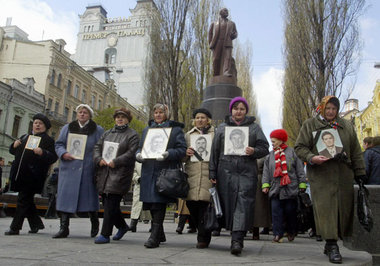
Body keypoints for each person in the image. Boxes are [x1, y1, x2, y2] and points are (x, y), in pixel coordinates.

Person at [295, 95, 366, 264]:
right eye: (328, 108)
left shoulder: (346, 126)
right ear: (321, 108)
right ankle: (332, 245)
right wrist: (312, 157)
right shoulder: (310, 125)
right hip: (322, 177)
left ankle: (332, 242)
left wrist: (360, 172)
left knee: (342, 211)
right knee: (327, 211)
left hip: (343, 176)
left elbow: (356, 150)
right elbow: (299, 147)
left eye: (334, 109)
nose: (331, 112)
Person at [209, 96, 269, 255]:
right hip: (225, 171)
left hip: (246, 172)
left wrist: (254, 151)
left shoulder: (254, 128)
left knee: (243, 204)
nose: (238, 111)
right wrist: (212, 172)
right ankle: (233, 235)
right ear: (231, 110)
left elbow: (264, 147)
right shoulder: (221, 128)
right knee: (229, 204)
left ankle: (237, 240)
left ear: (246, 111)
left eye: (242, 108)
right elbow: (214, 152)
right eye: (236, 108)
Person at [136, 103, 187, 248]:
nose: (158, 115)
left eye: (161, 112)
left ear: (167, 114)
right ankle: (160, 233)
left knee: (158, 203)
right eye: (156, 112)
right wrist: (138, 155)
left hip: (164, 172)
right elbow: (141, 147)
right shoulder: (147, 130)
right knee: (151, 204)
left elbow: (182, 149)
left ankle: (154, 237)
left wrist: (168, 154)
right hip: (148, 171)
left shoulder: (175, 130)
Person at [53, 104, 104, 239]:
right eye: (80, 112)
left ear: (89, 116)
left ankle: (94, 222)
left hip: (88, 168)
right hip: (69, 168)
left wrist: (97, 161)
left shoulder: (97, 130)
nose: (82, 114)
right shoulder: (67, 128)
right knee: (65, 198)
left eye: (85, 113)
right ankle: (64, 227)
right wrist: (63, 154)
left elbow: (101, 146)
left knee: (89, 198)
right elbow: (58, 144)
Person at [4, 113, 58, 235]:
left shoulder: (48, 140)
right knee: (27, 201)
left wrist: (42, 152)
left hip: (33, 176)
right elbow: (13, 151)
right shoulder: (25, 136)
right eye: (35, 123)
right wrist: (14, 145)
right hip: (19, 174)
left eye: (40, 123)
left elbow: (53, 157)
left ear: (45, 127)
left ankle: (15, 227)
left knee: (22, 200)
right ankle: (36, 224)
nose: (37, 125)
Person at [93, 108, 139, 244]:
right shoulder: (107, 133)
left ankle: (105, 234)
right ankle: (122, 226)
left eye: (123, 117)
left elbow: (131, 153)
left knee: (111, 202)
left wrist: (116, 161)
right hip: (104, 172)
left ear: (128, 120)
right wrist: (98, 159)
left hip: (120, 174)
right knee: (108, 203)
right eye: (118, 117)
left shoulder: (132, 135)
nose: (120, 119)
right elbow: (97, 147)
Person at [262, 129, 306, 243]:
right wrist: (265, 185)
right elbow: (266, 171)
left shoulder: (292, 153)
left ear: (281, 140)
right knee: (276, 212)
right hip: (275, 188)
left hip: (290, 188)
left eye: (274, 140)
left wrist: (302, 184)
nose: (272, 143)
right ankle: (277, 234)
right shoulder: (270, 156)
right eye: (271, 141)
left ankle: (291, 231)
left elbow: (299, 169)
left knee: (290, 211)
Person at [184, 108, 215, 248]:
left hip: (209, 175)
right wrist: (186, 153)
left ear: (208, 119)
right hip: (192, 174)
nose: (200, 120)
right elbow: (182, 157)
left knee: (204, 206)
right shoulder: (188, 136)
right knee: (191, 204)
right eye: (197, 117)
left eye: (203, 117)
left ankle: (203, 237)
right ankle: (202, 230)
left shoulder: (216, 134)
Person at [208, 8, 238, 77]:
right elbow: (210, 33)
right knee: (216, 59)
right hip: (217, 43)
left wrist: (234, 35)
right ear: (220, 12)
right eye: (225, 11)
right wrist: (211, 44)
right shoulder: (214, 23)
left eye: (227, 11)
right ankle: (216, 73)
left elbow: (236, 33)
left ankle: (226, 72)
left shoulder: (232, 23)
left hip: (227, 42)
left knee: (227, 58)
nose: (227, 12)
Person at [129, 162, 152, 232]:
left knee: (152, 205)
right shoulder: (137, 158)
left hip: (151, 184)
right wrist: (137, 178)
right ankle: (133, 223)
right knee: (136, 204)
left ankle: (154, 224)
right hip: (139, 184)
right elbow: (132, 171)